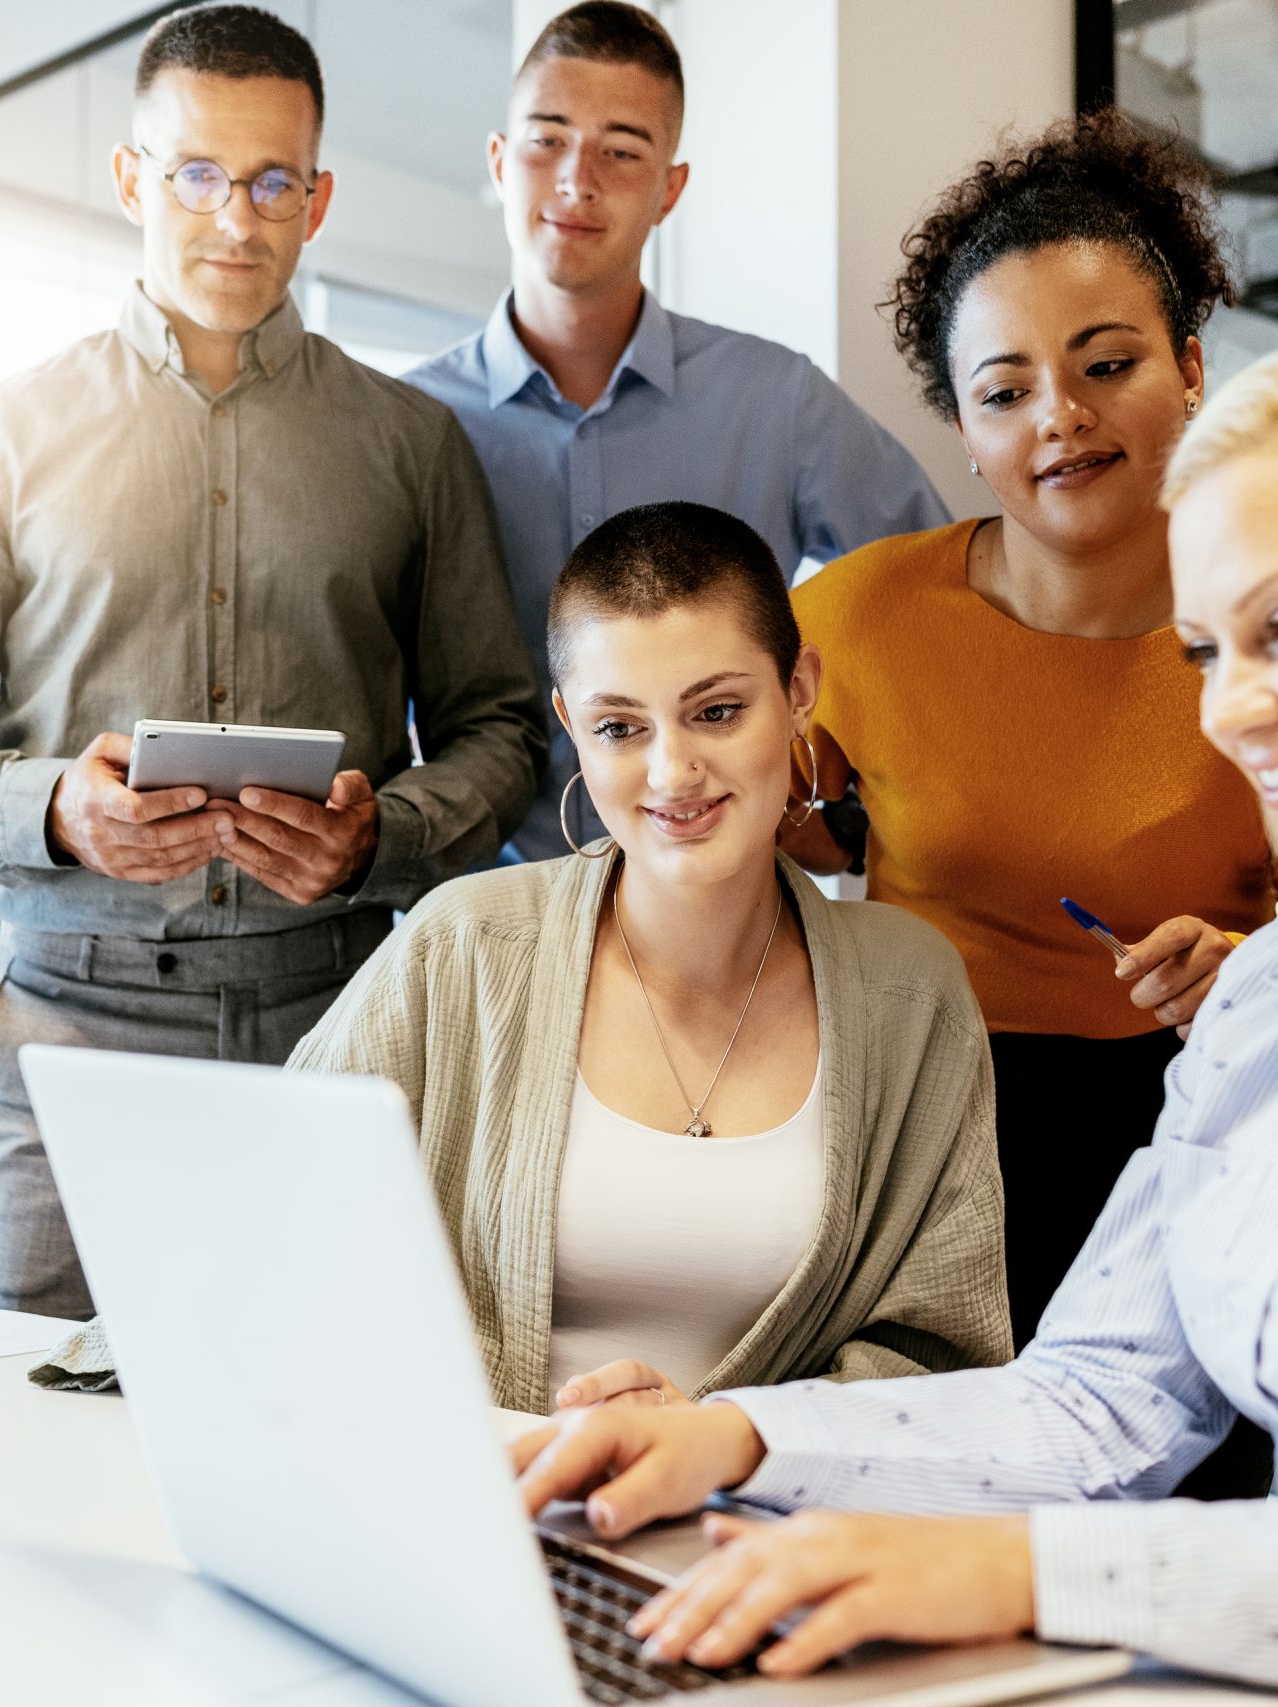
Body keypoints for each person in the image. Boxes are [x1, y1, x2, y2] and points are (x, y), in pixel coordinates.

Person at [509, 311, 1278, 1707]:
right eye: (1205, 653)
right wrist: (734, 1439)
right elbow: (1100, 1398)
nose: (1232, 711)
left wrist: (1033, 1573)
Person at [0, 5, 543, 1318]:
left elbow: (502, 725)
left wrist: (378, 837)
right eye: (198, 174)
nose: (237, 217)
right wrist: (51, 805)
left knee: (315, 1450)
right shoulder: (2, 434)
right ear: (131, 181)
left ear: (320, 198)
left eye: (275, 179)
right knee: (25, 1453)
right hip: (61, 1038)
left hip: (334, 1027)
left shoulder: (409, 445)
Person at [286, 502, 1009, 1414]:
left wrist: (725, 1438)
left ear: (799, 690)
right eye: (621, 727)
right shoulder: (462, 945)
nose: (673, 773)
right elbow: (273, 1232)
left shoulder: (912, 991)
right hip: (483, 1515)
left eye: (716, 711)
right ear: (569, 725)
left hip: (764, 1539)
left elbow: (947, 1358)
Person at [780, 111, 1275, 1356]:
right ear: (963, 425)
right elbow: (743, 827)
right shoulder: (853, 622)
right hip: (928, 1137)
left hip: (1211, 1127)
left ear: (1192, 368)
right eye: (1004, 391)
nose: (1060, 417)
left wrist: (1252, 967)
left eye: (1107, 365)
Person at [401, 2, 948, 863]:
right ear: (501, 164)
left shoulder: (776, 397)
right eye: (547, 140)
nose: (578, 180)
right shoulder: (413, 422)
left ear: (671, 189)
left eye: (622, 151)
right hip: (490, 911)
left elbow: (932, 583)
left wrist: (824, 784)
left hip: (725, 906)